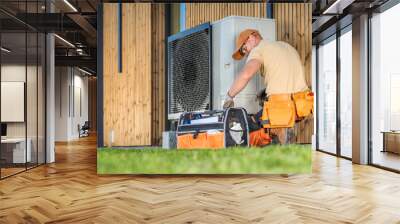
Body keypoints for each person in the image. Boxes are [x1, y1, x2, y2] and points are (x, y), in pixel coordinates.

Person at [223, 29, 312, 144]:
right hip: (301, 104)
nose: (246, 54)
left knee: (249, 126)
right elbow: (285, 75)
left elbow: (246, 74)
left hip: (281, 106)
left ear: (251, 38)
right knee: (280, 131)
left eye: (245, 49)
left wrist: (229, 96)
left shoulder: (258, 49)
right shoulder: (284, 46)